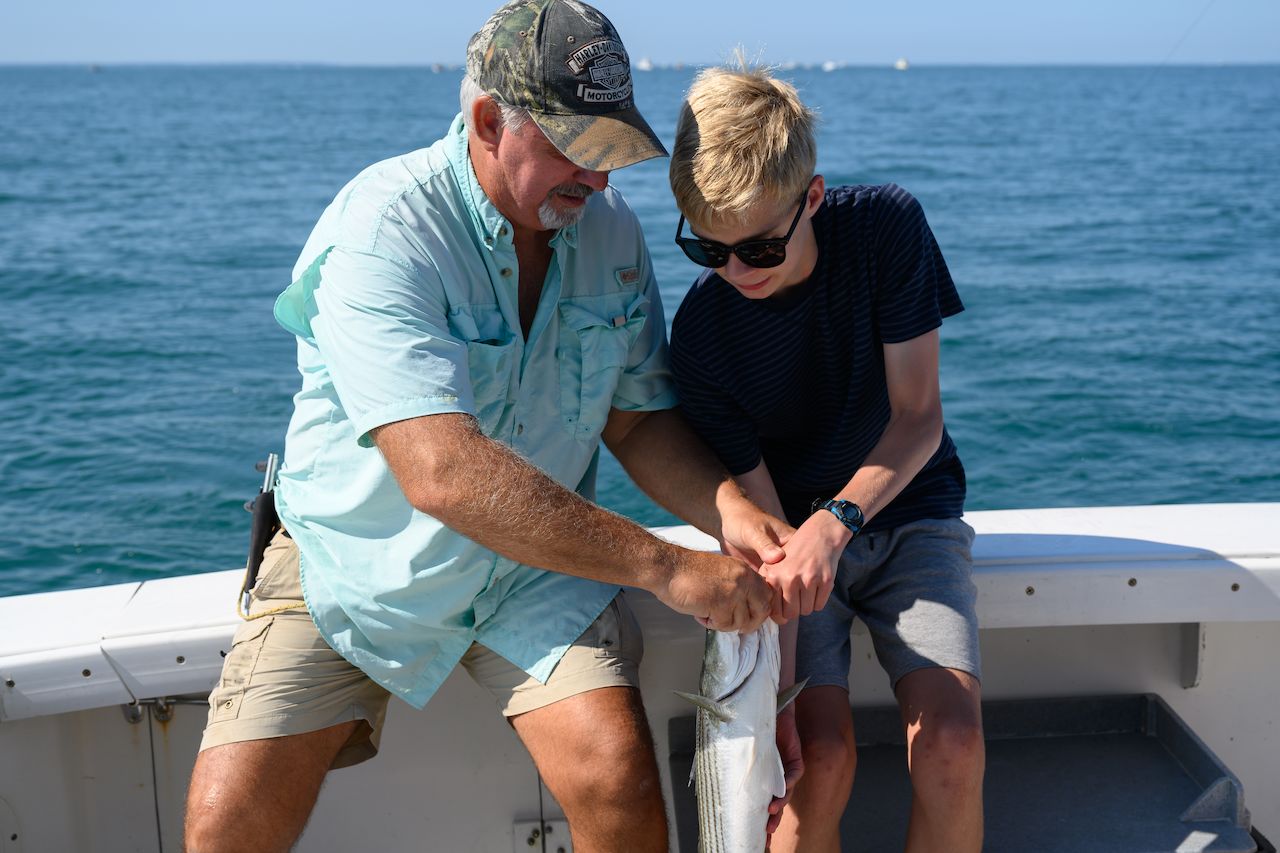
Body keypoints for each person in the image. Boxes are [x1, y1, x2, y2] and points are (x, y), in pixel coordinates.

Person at [183, 6, 791, 851]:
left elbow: (638, 420)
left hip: (533, 574)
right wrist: (668, 567)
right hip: (351, 566)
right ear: (486, 121)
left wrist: (729, 510)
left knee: (616, 772)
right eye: (576, 147)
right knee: (226, 826)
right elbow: (443, 473)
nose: (601, 180)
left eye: (612, 152)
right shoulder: (385, 230)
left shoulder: (609, 234)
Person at [666, 61, 985, 852]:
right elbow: (763, 519)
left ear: (812, 197)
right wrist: (769, 701)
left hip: (909, 511)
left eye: (760, 245)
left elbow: (919, 419)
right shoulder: (702, 336)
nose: (736, 271)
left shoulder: (885, 229)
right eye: (708, 249)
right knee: (817, 762)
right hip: (787, 556)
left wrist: (837, 520)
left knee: (951, 743)